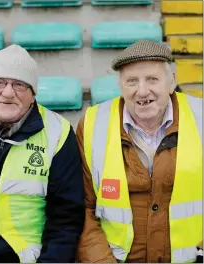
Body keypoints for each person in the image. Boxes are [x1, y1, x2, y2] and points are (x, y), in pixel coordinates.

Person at [76, 40, 203, 263]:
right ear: (121, 87)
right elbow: (82, 209)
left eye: (152, 79)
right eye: (132, 81)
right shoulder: (92, 125)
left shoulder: (200, 117)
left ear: (171, 81)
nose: (142, 91)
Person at [0, 44, 85, 263]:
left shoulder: (58, 131)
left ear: (33, 95)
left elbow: (66, 218)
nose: (8, 93)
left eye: (19, 84)